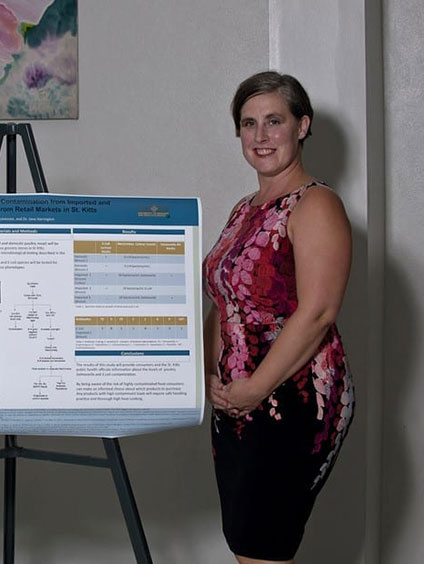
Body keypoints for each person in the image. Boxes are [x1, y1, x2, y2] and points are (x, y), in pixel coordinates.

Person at [203, 71, 354, 563]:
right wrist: (207, 375)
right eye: (249, 124)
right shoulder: (243, 208)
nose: (261, 136)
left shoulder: (316, 204)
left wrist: (253, 387)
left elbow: (317, 312)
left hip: (291, 396)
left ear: (302, 125)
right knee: (248, 544)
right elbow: (223, 301)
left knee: (263, 548)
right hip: (237, 400)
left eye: (274, 121)